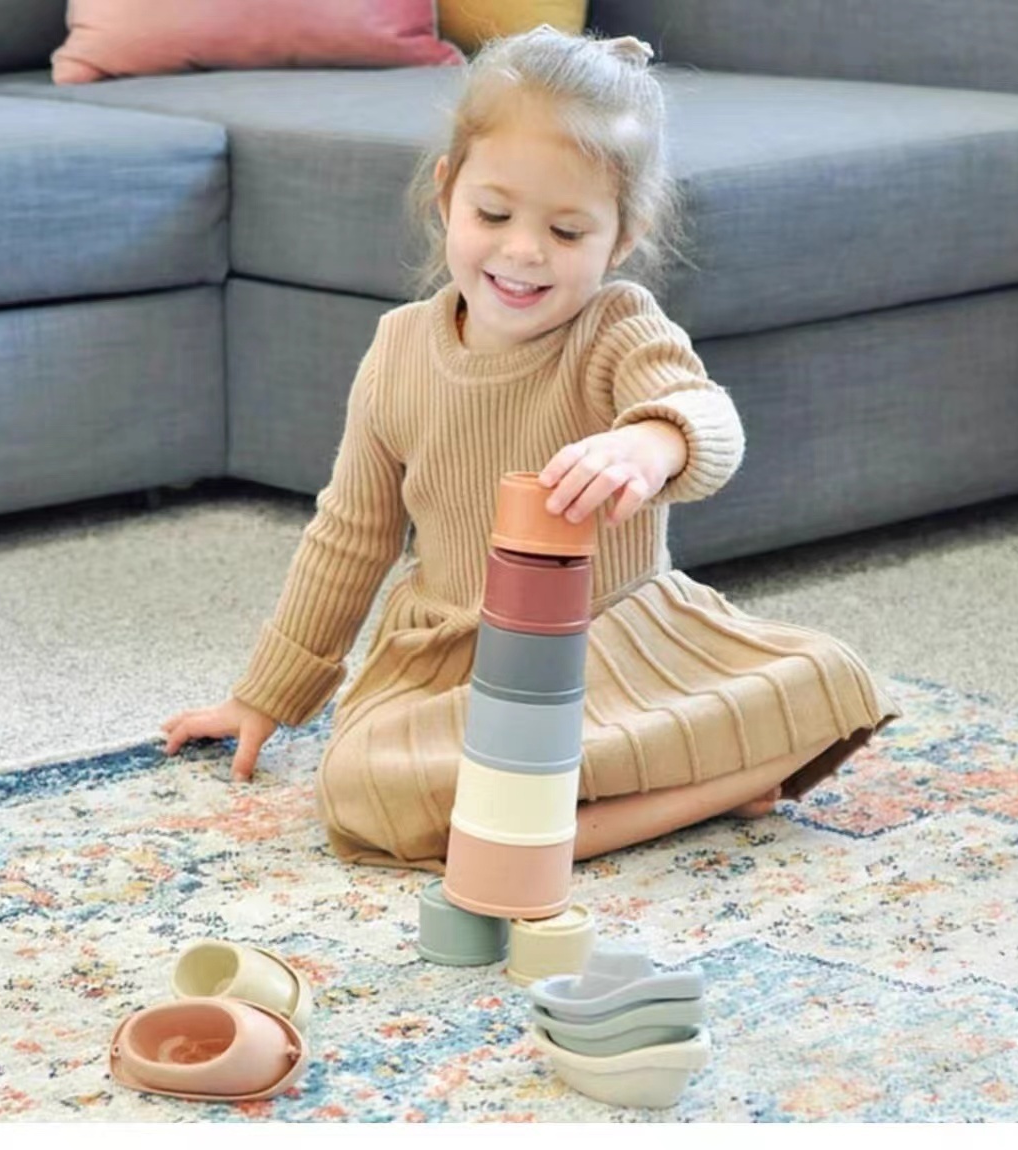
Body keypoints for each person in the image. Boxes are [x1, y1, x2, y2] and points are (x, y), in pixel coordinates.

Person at [162, 27, 898, 871]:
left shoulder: (617, 326)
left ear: (622, 238)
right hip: (455, 666)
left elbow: (709, 418)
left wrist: (653, 442)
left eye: (568, 231)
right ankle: (698, 790)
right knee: (360, 787)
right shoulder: (397, 349)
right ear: (446, 192)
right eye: (494, 214)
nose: (522, 251)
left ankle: (534, 824)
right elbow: (349, 537)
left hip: (614, 647)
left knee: (831, 678)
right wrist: (264, 698)